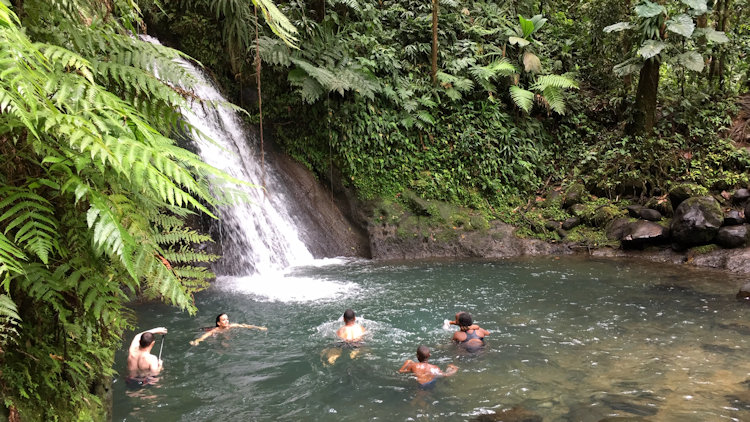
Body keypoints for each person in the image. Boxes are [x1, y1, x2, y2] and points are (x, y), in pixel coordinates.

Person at [189, 313, 267, 346]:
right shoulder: (215, 330)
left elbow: (244, 325)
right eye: (223, 320)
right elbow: (204, 336)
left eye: (227, 319)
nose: (227, 321)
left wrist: (259, 327)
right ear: (219, 323)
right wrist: (197, 341)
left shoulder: (231, 326)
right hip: (207, 329)